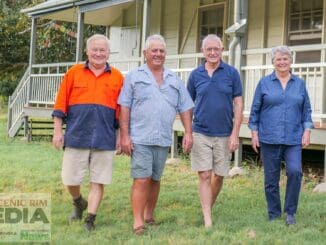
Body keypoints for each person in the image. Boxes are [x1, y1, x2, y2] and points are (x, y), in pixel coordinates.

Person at [118, 34, 194, 235]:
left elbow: (185, 107)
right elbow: (124, 107)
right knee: (141, 178)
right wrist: (124, 136)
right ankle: (138, 222)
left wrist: (188, 132)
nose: (158, 54)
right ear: (145, 53)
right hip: (140, 137)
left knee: (155, 179)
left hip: (162, 138)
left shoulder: (174, 79)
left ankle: (149, 215)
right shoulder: (134, 76)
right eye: (154, 50)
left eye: (161, 51)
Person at [52, 34, 123, 231]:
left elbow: (121, 111)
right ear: (87, 51)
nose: (99, 53)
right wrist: (58, 130)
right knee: (70, 178)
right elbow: (60, 104)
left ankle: (90, 219)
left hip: (104, 136)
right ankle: (78, 201)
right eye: (95, 50)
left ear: (108, 53)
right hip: (77, 135)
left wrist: (120, 136)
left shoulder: (118, 77)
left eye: (103, 50)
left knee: (98, 180)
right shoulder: (73, 73)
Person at [248, 45, 314, 225]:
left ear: (291, 61)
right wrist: (254, 133)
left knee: (295, 172)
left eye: (285, 58)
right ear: (273, 62)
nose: (282, 62)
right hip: (269, 137)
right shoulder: (264, 83)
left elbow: (306, 110)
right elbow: (255, 110)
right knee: (271, 179)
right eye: (278, 59)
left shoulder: (299, 84)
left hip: (293, 137)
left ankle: (290, 212)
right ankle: (274, 214)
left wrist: (307, 130)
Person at [187, 34, 243, 228]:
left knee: (219, 175)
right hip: (201, 131)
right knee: (204, 175)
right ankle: (207, 218)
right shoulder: (195, 75)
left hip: (224, 133)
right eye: (208, 49)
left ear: (221, 50)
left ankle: (207, 206)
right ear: (203, 52)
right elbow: (188, 105)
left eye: (216, 49)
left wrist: (235, 133)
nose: (212, 52)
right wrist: (187, 131)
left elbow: (238, 103)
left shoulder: (232, 73)